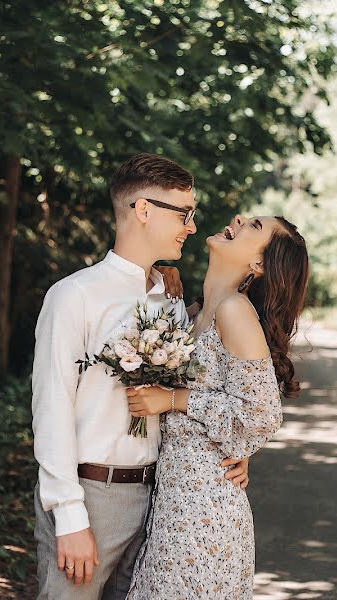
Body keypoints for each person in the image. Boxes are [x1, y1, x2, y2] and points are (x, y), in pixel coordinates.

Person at [32, 154, 250, 600]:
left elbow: (191, 394)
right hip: (91, 495)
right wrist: (70, 517)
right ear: (144, 210)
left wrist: (228, 449)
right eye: (184, 214)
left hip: (161, 499)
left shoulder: (168, 298)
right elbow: (50, 409)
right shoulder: (73, 296)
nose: (191, 226)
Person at [123, 213, 310, 599]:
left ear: (259, 264)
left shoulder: (234, 311)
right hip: (172, 500)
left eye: (254, 227)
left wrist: (173, 400)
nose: (239, 218)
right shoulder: (195, 312)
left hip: (204, 510)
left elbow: (261, 415)